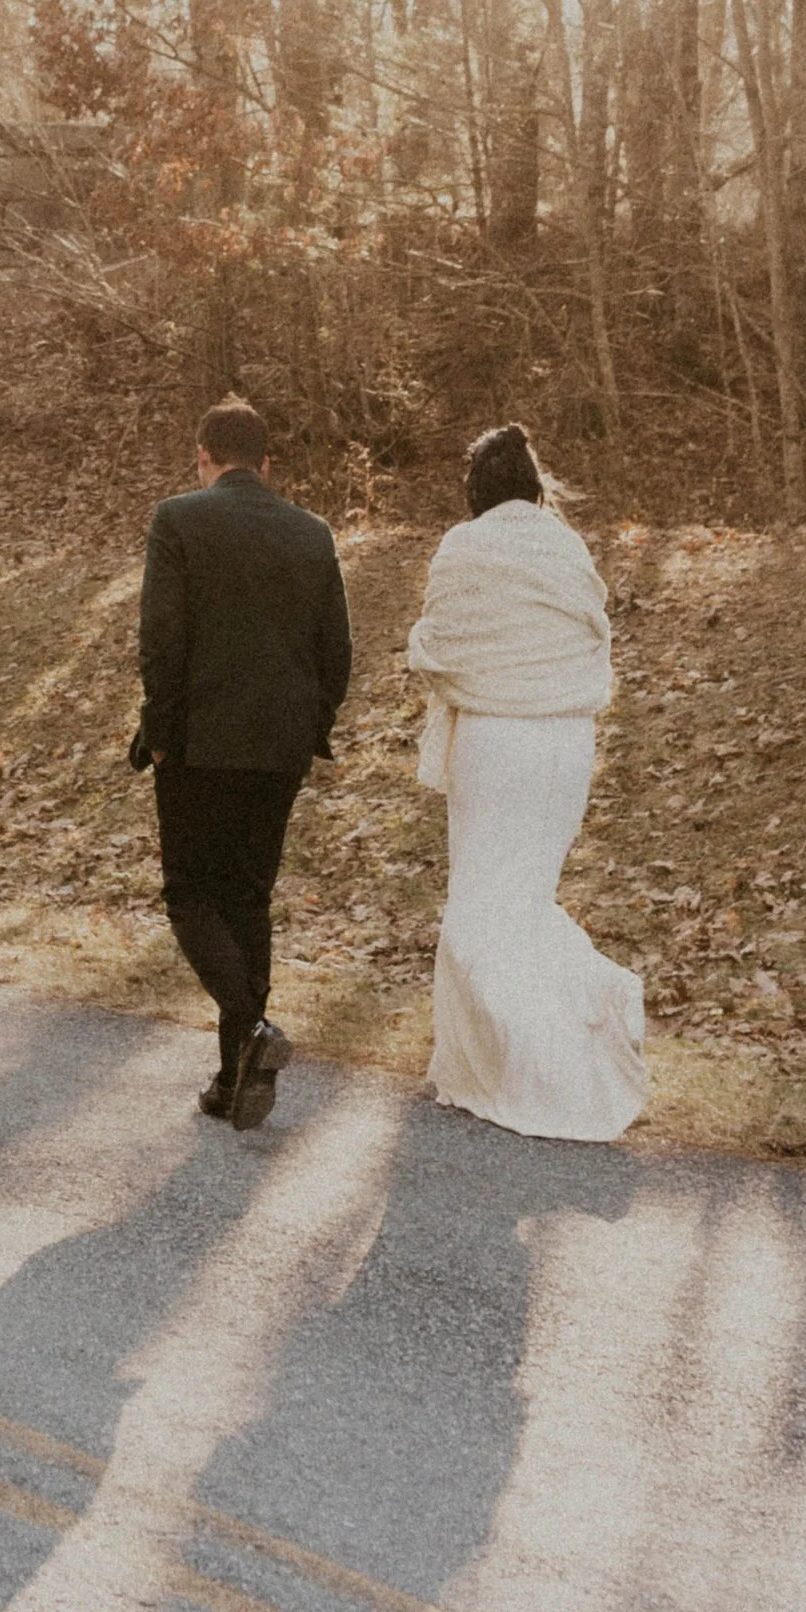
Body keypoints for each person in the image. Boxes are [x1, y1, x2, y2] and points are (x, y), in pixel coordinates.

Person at [405, 421, 646, 1142]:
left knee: (482, 904)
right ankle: (539, 1044)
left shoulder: (464, 545)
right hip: (569, 739)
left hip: (497, 740)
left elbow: (441, 645)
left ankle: (538, 1062)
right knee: (524, 895)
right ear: (535, 487)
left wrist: (421, 646)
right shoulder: (568, 548)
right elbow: (591, 638)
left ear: (474, 490)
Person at [132, 394, 351, 1129]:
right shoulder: (312, 533)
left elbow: (162, 638)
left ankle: (252, 1031)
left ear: (203, 459)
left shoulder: (178, 519)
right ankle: (234, 1083)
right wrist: (309, 727)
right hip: (279, 747)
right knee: (248, 899)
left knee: (191, 895)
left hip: (197, 740)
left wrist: (158, 730)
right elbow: (336, 654)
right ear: (267, 464)